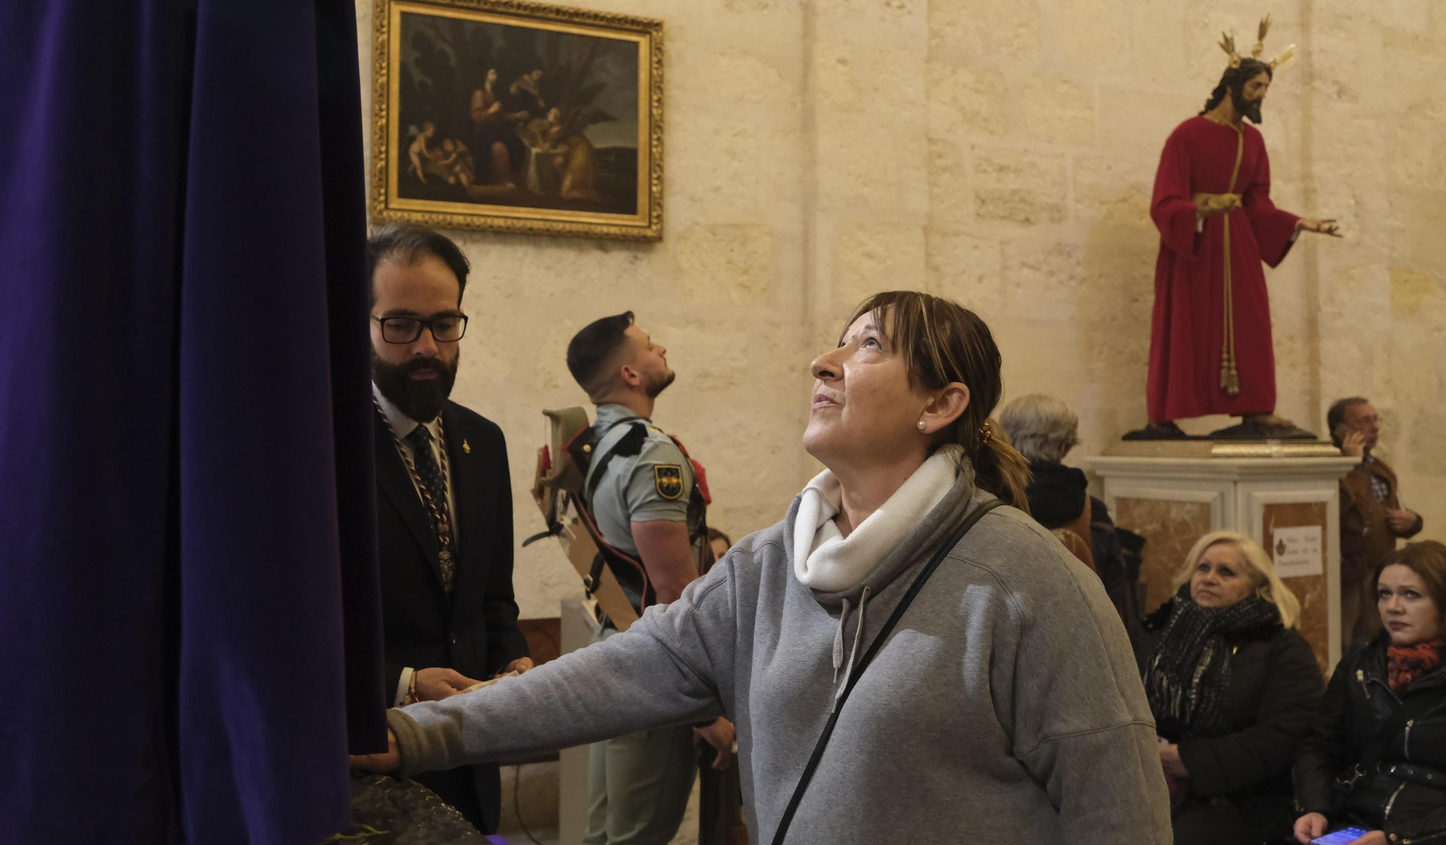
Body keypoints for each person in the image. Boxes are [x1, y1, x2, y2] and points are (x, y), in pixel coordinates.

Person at [355, 290, 1170, 844]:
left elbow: (1121, 811)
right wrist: (415, 734)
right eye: (837, 343)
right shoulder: (771, 565)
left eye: (868, 347)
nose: (825, 361)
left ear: (940, 404)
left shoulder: (1030, 581)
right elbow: (615, 672)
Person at [365, 223, 530, 833]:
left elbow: (492, 599)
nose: (427, 346)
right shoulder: (320, 448)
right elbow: (282, 625)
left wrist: (514, 660)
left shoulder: (482, 441)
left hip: (468, 762)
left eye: (443, 323)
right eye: (400, 325)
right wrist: (404, 683)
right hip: (368, 764)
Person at [563, 311, 729, 845]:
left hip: (613, 643)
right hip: (652, 669)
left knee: (603, 832)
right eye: (650, 345)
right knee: (639, 836)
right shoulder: (651, 453)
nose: (662, 349)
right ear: (631, 375)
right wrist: (704, 707)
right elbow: (674, 593)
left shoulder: (591, 448)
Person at [1135, 17, 1340, 440]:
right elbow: (1165, 200)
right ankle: (1165, 414)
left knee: (1250, 324)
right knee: (1186, 324)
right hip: (1194, 246)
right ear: (1233, 85)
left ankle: (1255, 409)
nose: (1262, 95)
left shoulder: (1254, 142)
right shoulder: (1187, 135)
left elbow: (1258, 203)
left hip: (1240, 247)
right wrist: (1201, 210)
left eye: (1266, 88)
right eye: (1256, 87)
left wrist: (1299, 222)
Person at [1134, 531, 1324, 844]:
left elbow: (1283, 737)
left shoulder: (1281, 646)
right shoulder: (1158, 632)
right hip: (1152, 780)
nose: (1209, 578)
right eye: (1202, 568)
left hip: (1242, 800)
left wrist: (1187, 761)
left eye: (1226, 572)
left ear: (1257, 587)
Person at [1292, 541, 1446, 845]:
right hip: (1355, 819)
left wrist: (1398, 839)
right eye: (1384, 593)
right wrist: (1315, 808)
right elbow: (1319, 745)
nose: (1393, 607)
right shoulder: (1363, 661)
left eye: (1411, 594)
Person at [999, 393, 1133, 619]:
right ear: (1065, 445)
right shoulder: (1093, 512)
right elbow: (1113, 598)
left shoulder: (991, 502)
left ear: (1005, 440)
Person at [1330, 396, 1426, 648]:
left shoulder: (1380, 468)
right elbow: (1334, 508)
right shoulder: (1331, 467)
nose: (1374, 427)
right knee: (1345, 640)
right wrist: (1350, 464)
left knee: (1377, 637)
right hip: (1348, 573)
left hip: (1381, 571)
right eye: (1363, 421)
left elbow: (1392, 509)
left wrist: (1412, 521)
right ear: (1342, 429)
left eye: (1375, 419)